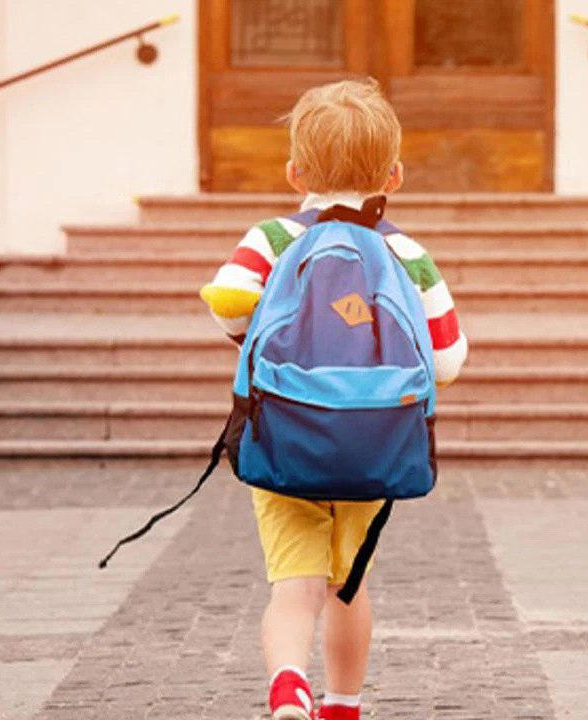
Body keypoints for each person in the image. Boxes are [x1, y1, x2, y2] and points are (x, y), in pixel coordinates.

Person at [199, 78, 468, 720]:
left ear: (295, 172)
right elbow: (449, 361)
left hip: (284, 435)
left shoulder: (270, 238)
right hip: (372, 444)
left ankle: (289, 685)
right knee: (348, 586)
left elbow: (227, 304)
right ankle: (342, 705)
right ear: (394, 176)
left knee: (292, 586)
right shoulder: (407, 253)